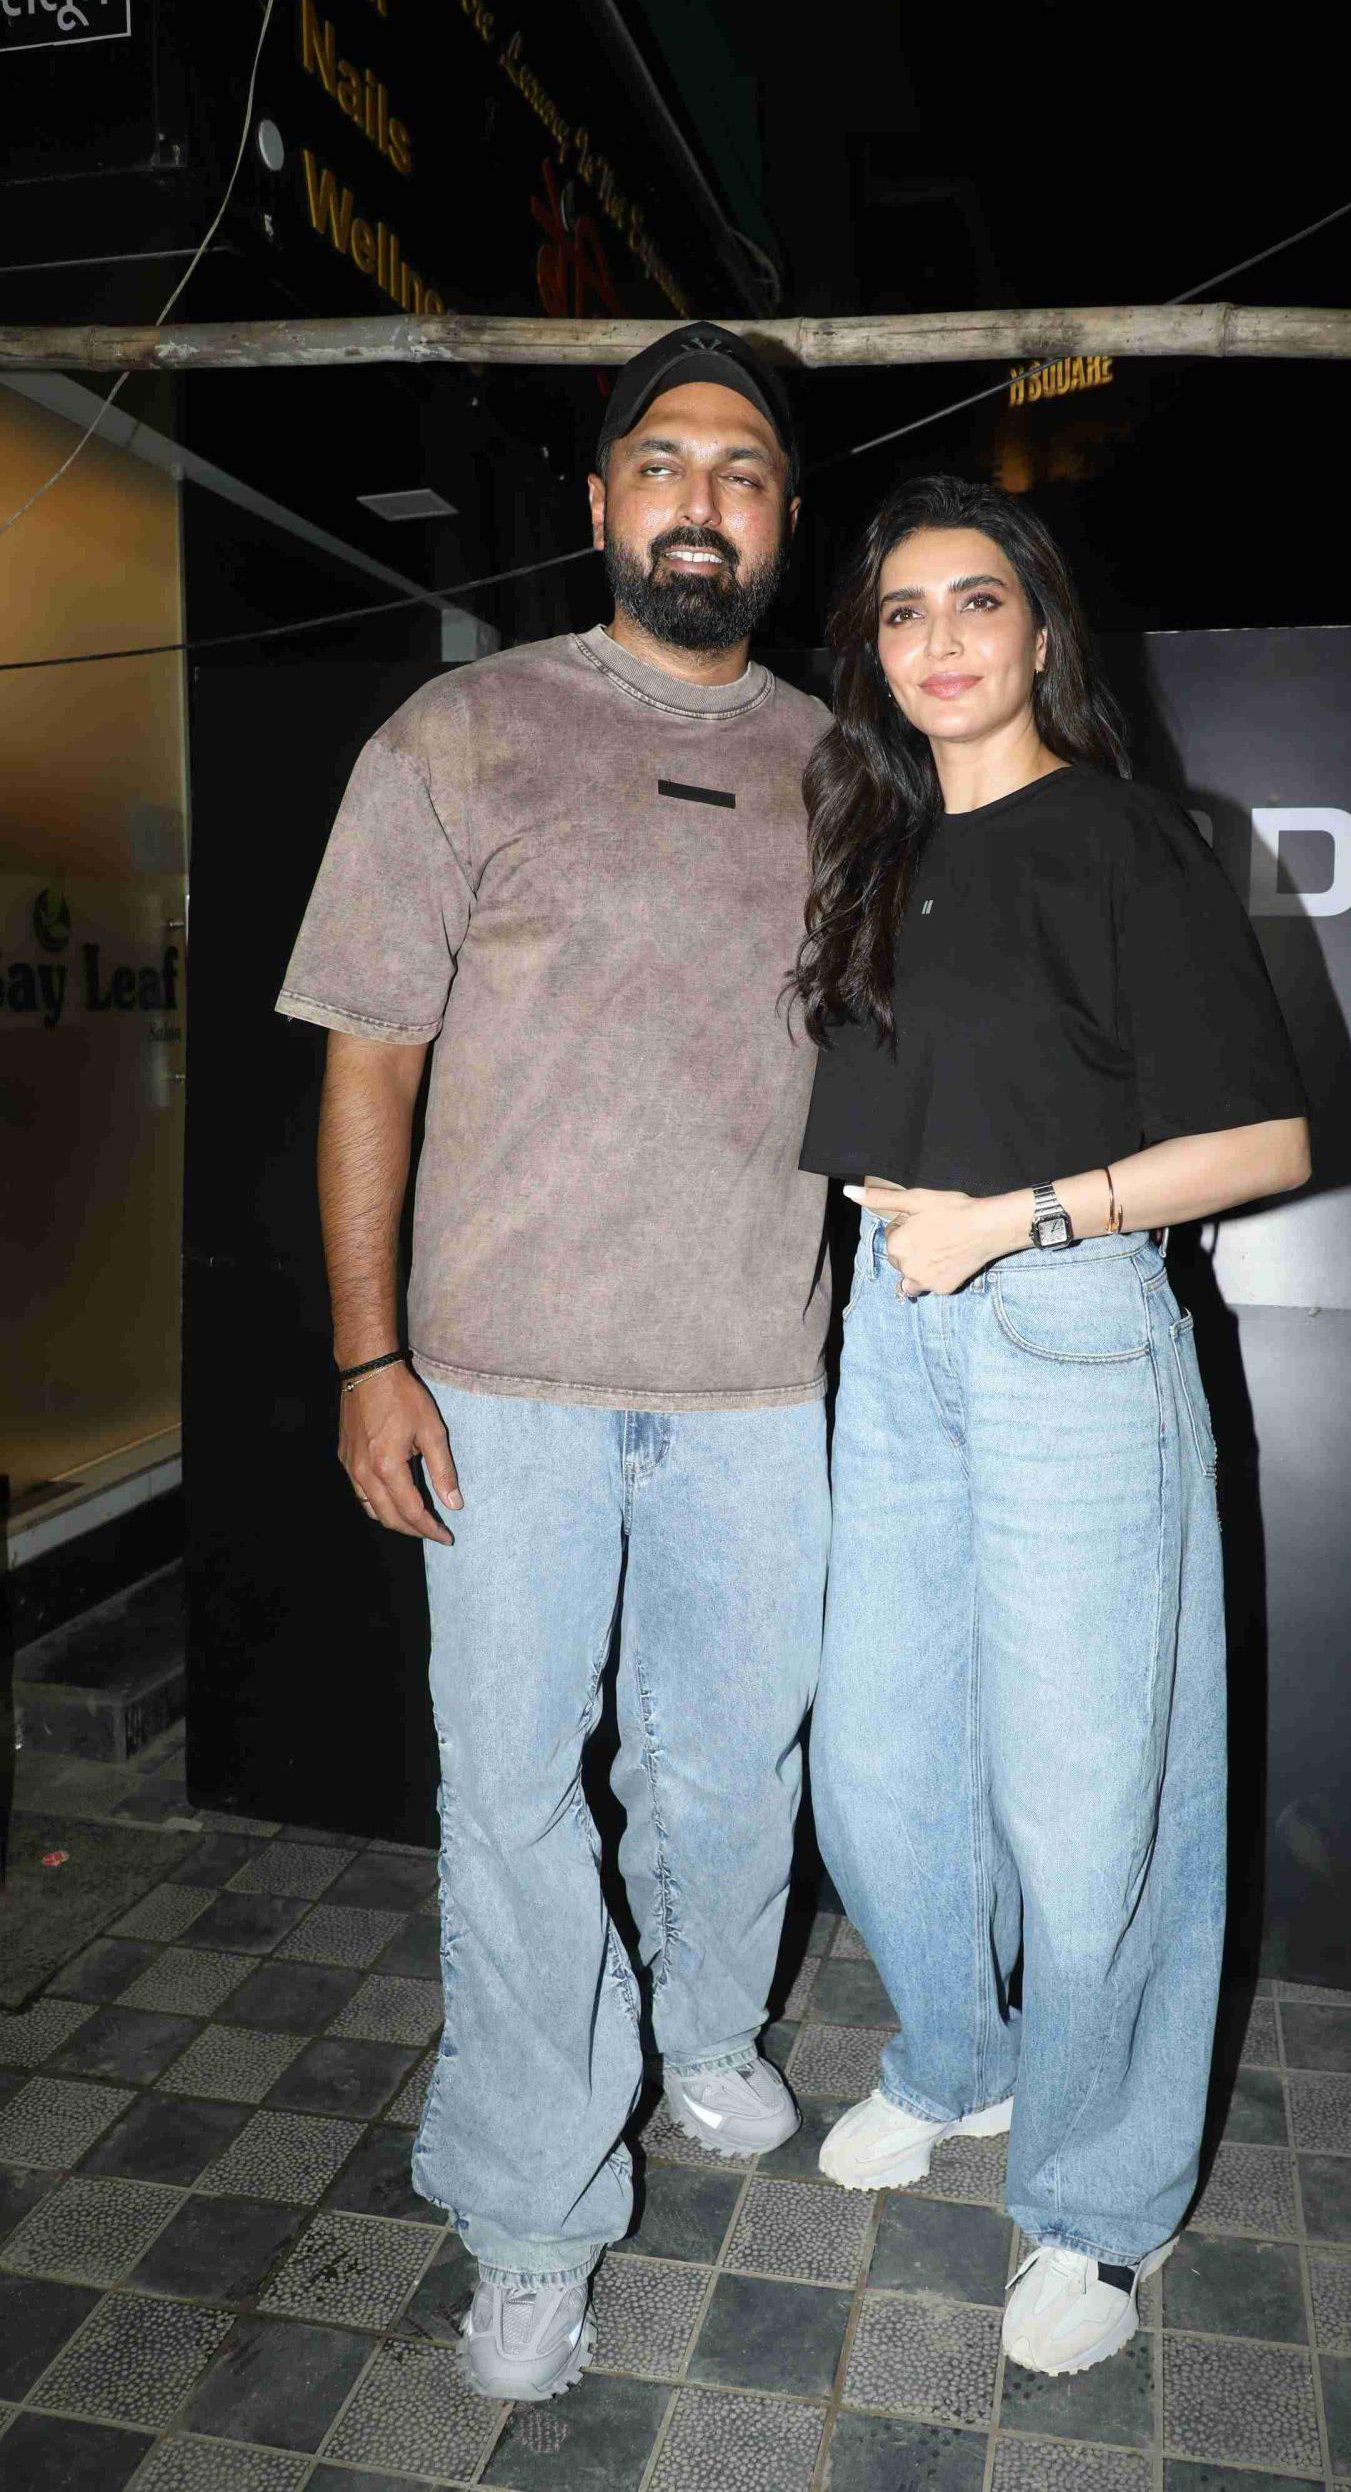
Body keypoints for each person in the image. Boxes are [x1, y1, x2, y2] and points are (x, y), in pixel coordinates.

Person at [276, 325, 832, 2401]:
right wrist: (369, 1354)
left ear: (783, 523)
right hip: (499, 1384)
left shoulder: (849, 769)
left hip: (761, 1381)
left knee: (732, 1768)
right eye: (662, 461)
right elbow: (369, 1060)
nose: (700, 499)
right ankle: (529, 2211)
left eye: (742, 470)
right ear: (599, 503)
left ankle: (703, 2027)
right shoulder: (461, 732)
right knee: (511, 1798)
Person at [793, 473, 1311, 2378]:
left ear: (1038, 633)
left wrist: (1021, 1220)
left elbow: (1267, 1141)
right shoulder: (874, 850)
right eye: (902, 610)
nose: (938, 640)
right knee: (879, 1769)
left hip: (1067, 1334)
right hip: (893, 1340)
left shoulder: (1126, 837)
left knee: (1095, 1814)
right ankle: (960, 2059)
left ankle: (1093, 2206)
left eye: (976, 602)